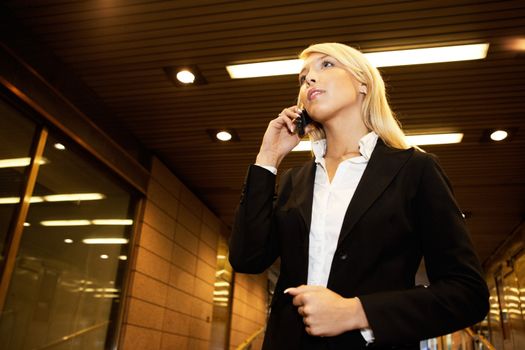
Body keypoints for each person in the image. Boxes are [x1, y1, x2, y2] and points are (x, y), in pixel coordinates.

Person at [229, 42, 489, 350]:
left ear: (363, 83)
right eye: (302, 77)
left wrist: (357, 312)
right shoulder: (293, 181)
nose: (309, 78)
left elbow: (467, 293)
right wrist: (268, 158)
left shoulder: (415, 170)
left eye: (326, 65)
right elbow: (247, 258)